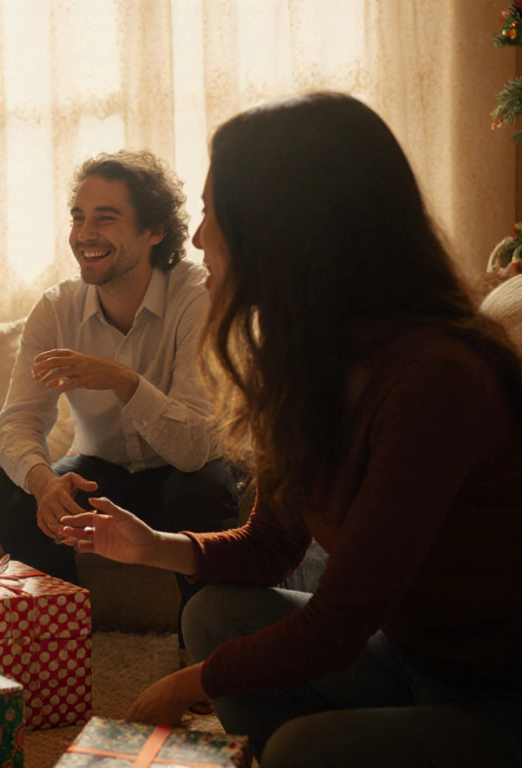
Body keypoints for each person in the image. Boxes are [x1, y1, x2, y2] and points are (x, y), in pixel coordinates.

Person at [63, 93, 522, 766]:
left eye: (217, 215)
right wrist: (153, 546)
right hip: (409, 658)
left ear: (285, 230)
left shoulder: (436, 377)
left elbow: (337, 626)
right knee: (213, 615)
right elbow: (273, 546)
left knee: (305, 747)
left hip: (497, 694)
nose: (197, 238)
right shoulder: (310, 364)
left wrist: (189, 684)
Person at [0, 150, 237, 648]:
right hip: (104, 471)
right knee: (9, 491)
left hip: (182, 472)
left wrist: (122, 380)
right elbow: (15, 423)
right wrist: (42, 483)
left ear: (155, 232)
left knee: (202, 491)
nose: (84, 234)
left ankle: (200, 648)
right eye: (79, 218)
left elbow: (191, 448)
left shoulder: (195, 294)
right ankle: (65, 641)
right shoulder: (56, 308)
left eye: (106, 218)